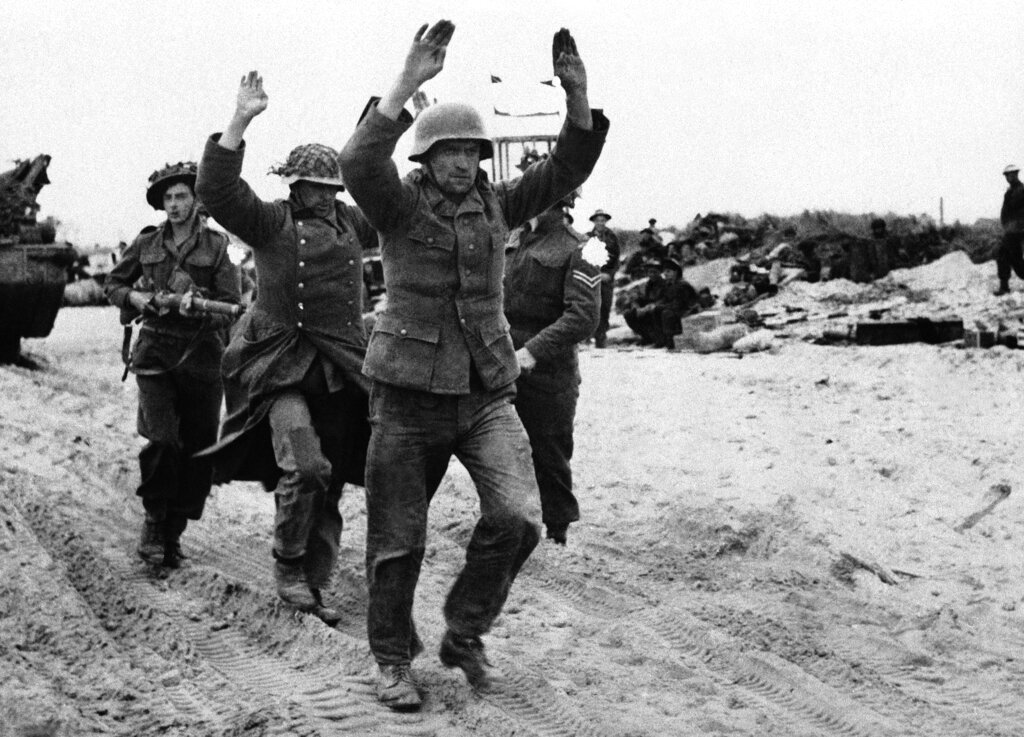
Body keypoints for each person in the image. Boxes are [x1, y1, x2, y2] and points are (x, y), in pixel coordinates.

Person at [339, 21, 608, 710]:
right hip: (405, 395)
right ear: (425, 156)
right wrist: (406, 80)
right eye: (449, 150)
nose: (463, 162)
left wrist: (577, 98)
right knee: (398, 541)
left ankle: (464, 630)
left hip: (486, 391)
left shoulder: (498, 203)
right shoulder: (396, 204)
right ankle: (393, 659)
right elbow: (359, 163)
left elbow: (567, 168)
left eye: (472, 152)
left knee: (519, 516)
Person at [195, 71, 377, 621]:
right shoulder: (271, 222)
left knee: (337, 475)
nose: (325, 198)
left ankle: (313, 579)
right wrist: (241, 118)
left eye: (332, 189)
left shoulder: (351, 222)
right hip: (279, 369)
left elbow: (391, 202)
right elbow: (218, 190)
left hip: (342, 368)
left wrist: (397, 125)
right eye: (315, 188)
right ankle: (288, 567)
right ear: (295, 187)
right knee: (307, 467)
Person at [104, 161, 240, 568]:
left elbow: (229, 307)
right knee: (162, 440)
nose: (176, 204)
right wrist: (134, 299)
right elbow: (113, 283)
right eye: (169, 198)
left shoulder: (217, 247)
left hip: (201, 357)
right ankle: (154, 520)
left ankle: (174, 530)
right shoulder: (147, 243)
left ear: (197, 200)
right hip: (155, 354)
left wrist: (196, 305)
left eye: (183, 196)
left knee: (199, 449)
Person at [503, 194, 600, 546]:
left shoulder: (587, 247)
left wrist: (532, 352)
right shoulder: (512, 241)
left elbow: (584, 317)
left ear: (562, 201)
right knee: (502, 452)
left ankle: (557, 530)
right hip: (501, 366)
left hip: (548, 372)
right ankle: (514, 525)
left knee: (550, 452)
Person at [585, 208, 619, 348]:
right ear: (593, 221)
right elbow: (583, 258)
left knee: (605, 306)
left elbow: (616, 260)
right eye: (598, 220)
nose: (600, 223)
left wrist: (609, 275)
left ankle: (601, 338)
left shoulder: (612, 237)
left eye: (603, 220)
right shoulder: (587, 237)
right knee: (590, 307)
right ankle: (586, 337)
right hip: (590, 277)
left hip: (606, 278)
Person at [622, 258, 667, 344]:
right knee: (628, 313)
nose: (652, 274)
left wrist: (647, 307)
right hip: (647, 309)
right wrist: (636, 306)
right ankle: (646, 337)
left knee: (654, 312)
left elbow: (665, 299)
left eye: (655, 272)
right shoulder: (648, 285)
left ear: (659, 272)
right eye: (650, 272)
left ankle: (659, 339)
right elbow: (641, 298)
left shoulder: (664, 284)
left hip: (658, 309)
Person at [995, 164, 1024, 296]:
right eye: (1007, 175)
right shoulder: (1010, 191)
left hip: (1018, 230)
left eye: (1011, 174)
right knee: (1008, 257)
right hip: (1011, 230)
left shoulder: (1021, 191)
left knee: (1009, 257)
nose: (1008, 177)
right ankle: (1004, 286)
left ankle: (1004, 287)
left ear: (1016, 174)